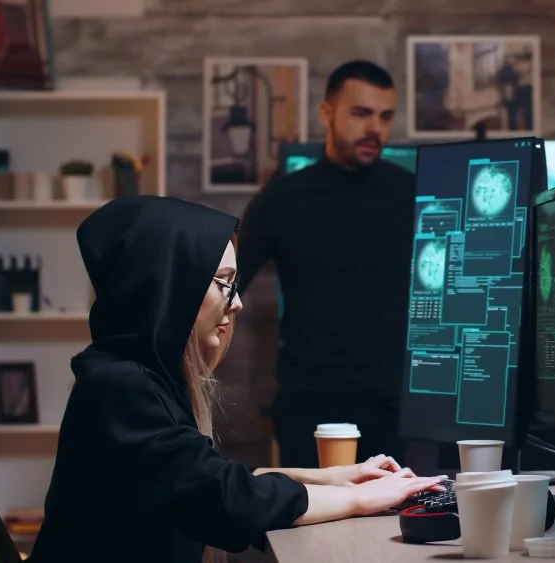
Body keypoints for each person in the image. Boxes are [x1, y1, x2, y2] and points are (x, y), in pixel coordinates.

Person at [27, 196, 442, 563]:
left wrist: (331, 477)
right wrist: (359, 499)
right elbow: (225, 501)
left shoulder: (139, 376)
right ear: (173, 285)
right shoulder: (117, 387)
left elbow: (205, 478)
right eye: (224, 283)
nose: (238, 303)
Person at [236, 60, 416, 468]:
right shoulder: (283, 198)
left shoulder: (412, 194)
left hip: (391, 405)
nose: (375, 128)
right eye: (361, 113)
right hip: (310, 404)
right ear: (326, 113)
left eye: (385, 116)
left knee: (384, 529)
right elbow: (226, 283)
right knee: (307, 527)